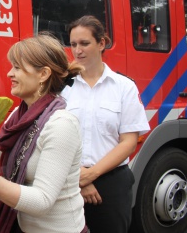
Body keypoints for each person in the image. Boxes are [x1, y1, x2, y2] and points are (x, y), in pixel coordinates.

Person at [0, 34, 87, 233]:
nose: (9, 74)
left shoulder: (61, 124)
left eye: (17, 68)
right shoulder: (18, 117)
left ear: (43, 74)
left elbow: (42, 201)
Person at [61, 15, 150, 233]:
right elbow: (54, 135)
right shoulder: (62, 86)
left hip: (111, 184)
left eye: (84, 43)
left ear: (102, 43)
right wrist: (80, 177)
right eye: (73, 44)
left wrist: (91, 175)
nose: (77, 50)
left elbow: (128, 142)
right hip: (68, 178)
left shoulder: (124, 87)